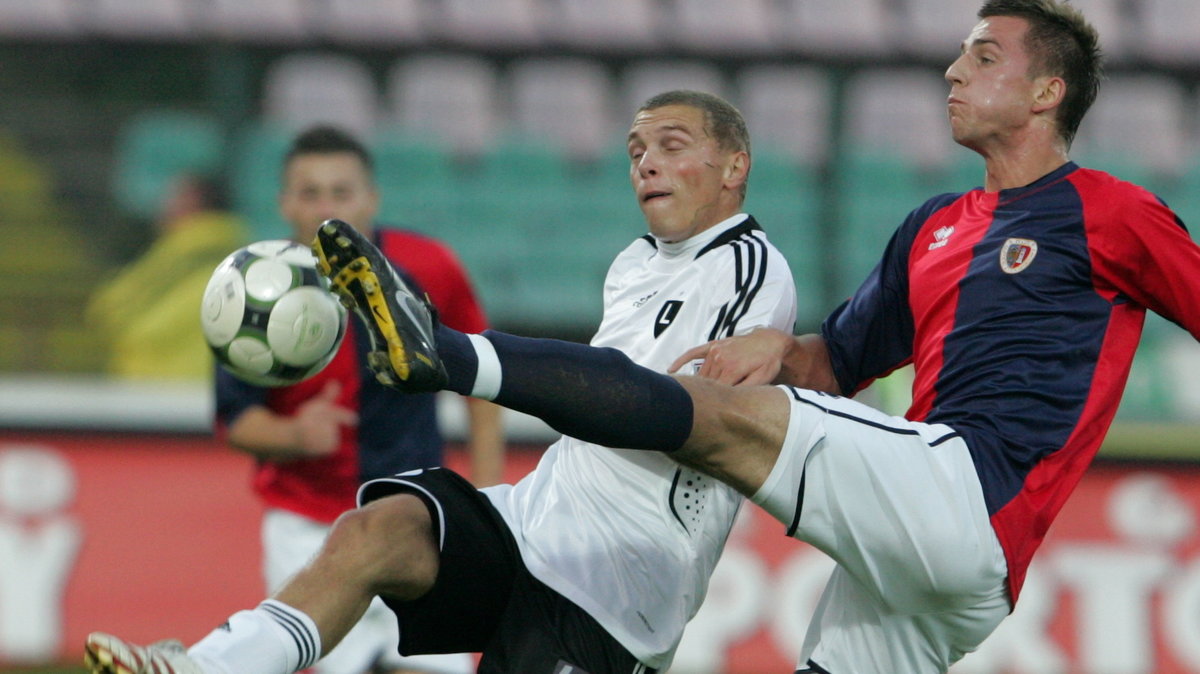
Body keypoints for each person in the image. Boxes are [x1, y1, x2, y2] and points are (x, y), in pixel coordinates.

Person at [308, 3, 1198, 672]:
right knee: (735, 407)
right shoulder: (933, 224)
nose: (952, 70)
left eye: (984, 54)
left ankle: (447, 353)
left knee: (712, 415)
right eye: (961, 50)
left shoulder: (1111, 212)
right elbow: (833, 368)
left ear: (1048, 91)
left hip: (968, 491)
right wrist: (784, 352)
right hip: (927, 559)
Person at [86, 92, 797, 673]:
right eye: (637, 151)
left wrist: (468, 362)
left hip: (616, 584)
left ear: (735, 165)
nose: (645, 164)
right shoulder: (635, 262)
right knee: (377, 530)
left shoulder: (749, 271)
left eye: (671, 146)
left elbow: (664, 415)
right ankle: (206, 667)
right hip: (535, 526)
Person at [214, 126, 503, 674]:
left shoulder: (430, 268)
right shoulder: (248, 287)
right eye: (310, 193)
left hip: (411, 513)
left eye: (341, 193)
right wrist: (294, 435)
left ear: (371, 198)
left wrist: (486, 502)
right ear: (284, 203)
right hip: (306, 524)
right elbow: (236, 420)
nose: (326, 208)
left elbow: (482, 383)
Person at [86, 173, 247, 380]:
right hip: (206, 390)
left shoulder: (179, 257)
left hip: (157, 390)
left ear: (194, 202)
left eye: (173, 197)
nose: (163, 205)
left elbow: (110, 311)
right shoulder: (238, 260)